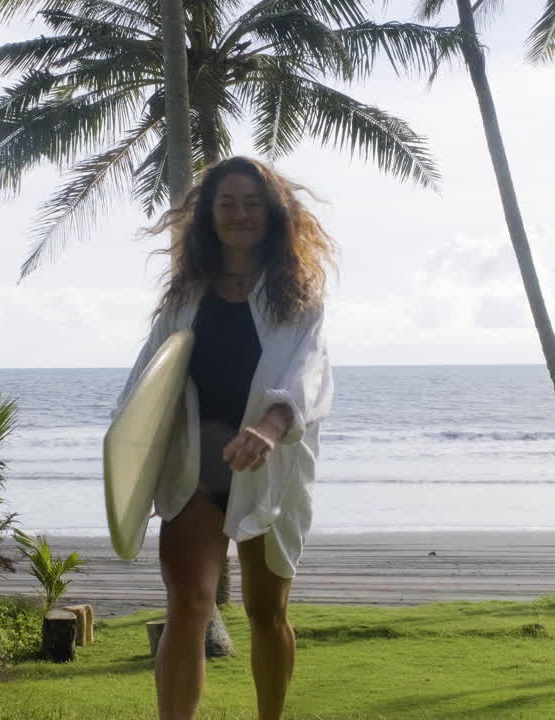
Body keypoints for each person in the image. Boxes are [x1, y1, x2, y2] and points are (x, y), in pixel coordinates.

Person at [113, 156, 336, 720]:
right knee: (188, 605)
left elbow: (307, 377)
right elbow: (146, 383)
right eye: (227, 203)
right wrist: (129, 463)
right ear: (210, 216)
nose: (240, 214)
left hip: (271, 468)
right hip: (196, 467)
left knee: (266, 613)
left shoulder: (298, 299)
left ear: (274, 213)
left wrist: (269, 428)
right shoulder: (186, 296)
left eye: (252, 203)